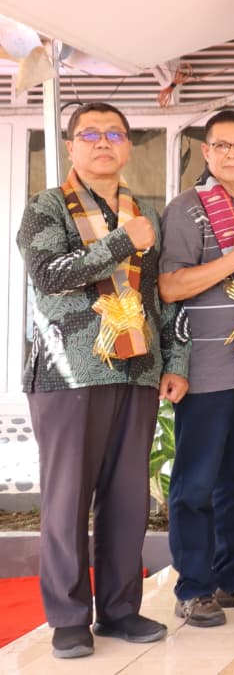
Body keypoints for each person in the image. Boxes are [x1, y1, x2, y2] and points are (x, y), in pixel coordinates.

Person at [17, 102, 189, 659]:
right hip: (69, 374)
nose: (102, 143)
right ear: (71, 146)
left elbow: (159, 297)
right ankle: (68, 618)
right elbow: (50, 276)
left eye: (114, 134)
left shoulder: (144, 212)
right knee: (67, 499)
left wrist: (175, 361)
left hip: (137, 371)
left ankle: (119, 610)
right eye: (90, 134)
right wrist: (121, 241)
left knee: (126, 499)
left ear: (128, 147)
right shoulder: (46, 207)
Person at [159, 109, 234, 627]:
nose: (233, 154)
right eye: (222, 146)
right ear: (206, 152)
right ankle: (193, 586)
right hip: (205, 368)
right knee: (196, 483)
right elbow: (171, 287)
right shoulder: (185, 209)